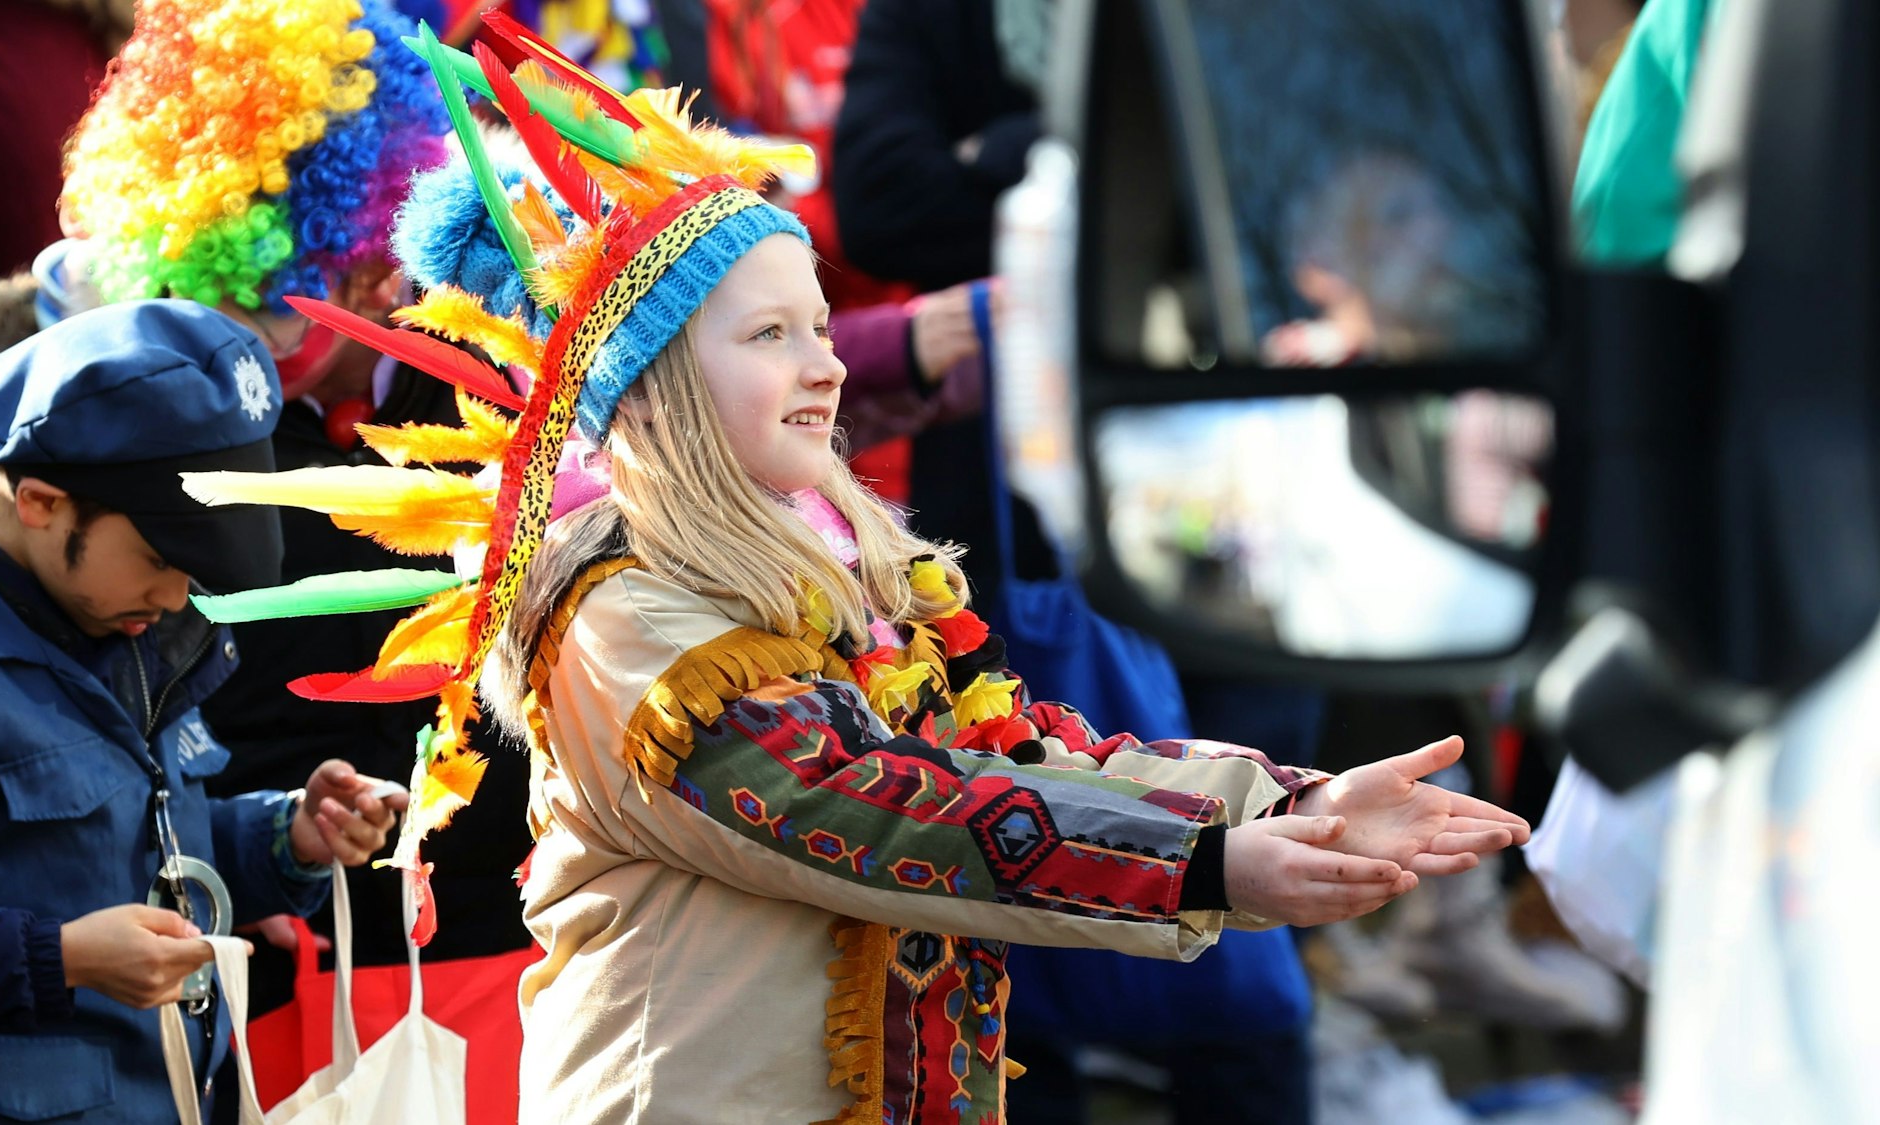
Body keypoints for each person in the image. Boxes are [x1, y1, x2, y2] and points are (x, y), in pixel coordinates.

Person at [181, 32, 1533, 1122]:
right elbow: (891, 811)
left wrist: (1289, 799)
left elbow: (1008, 747)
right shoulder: (626, 618)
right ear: (649, 388)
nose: (829, 364)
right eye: (772, 333)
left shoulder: (829, 582)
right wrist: (1216, 866)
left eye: (823, 325)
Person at [0, 299, 406, 1122]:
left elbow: (136, 845)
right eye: (162, 560)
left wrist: (286, 836)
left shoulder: (124, 618)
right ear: (42, 503)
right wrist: (57, 960)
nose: (177, 596)